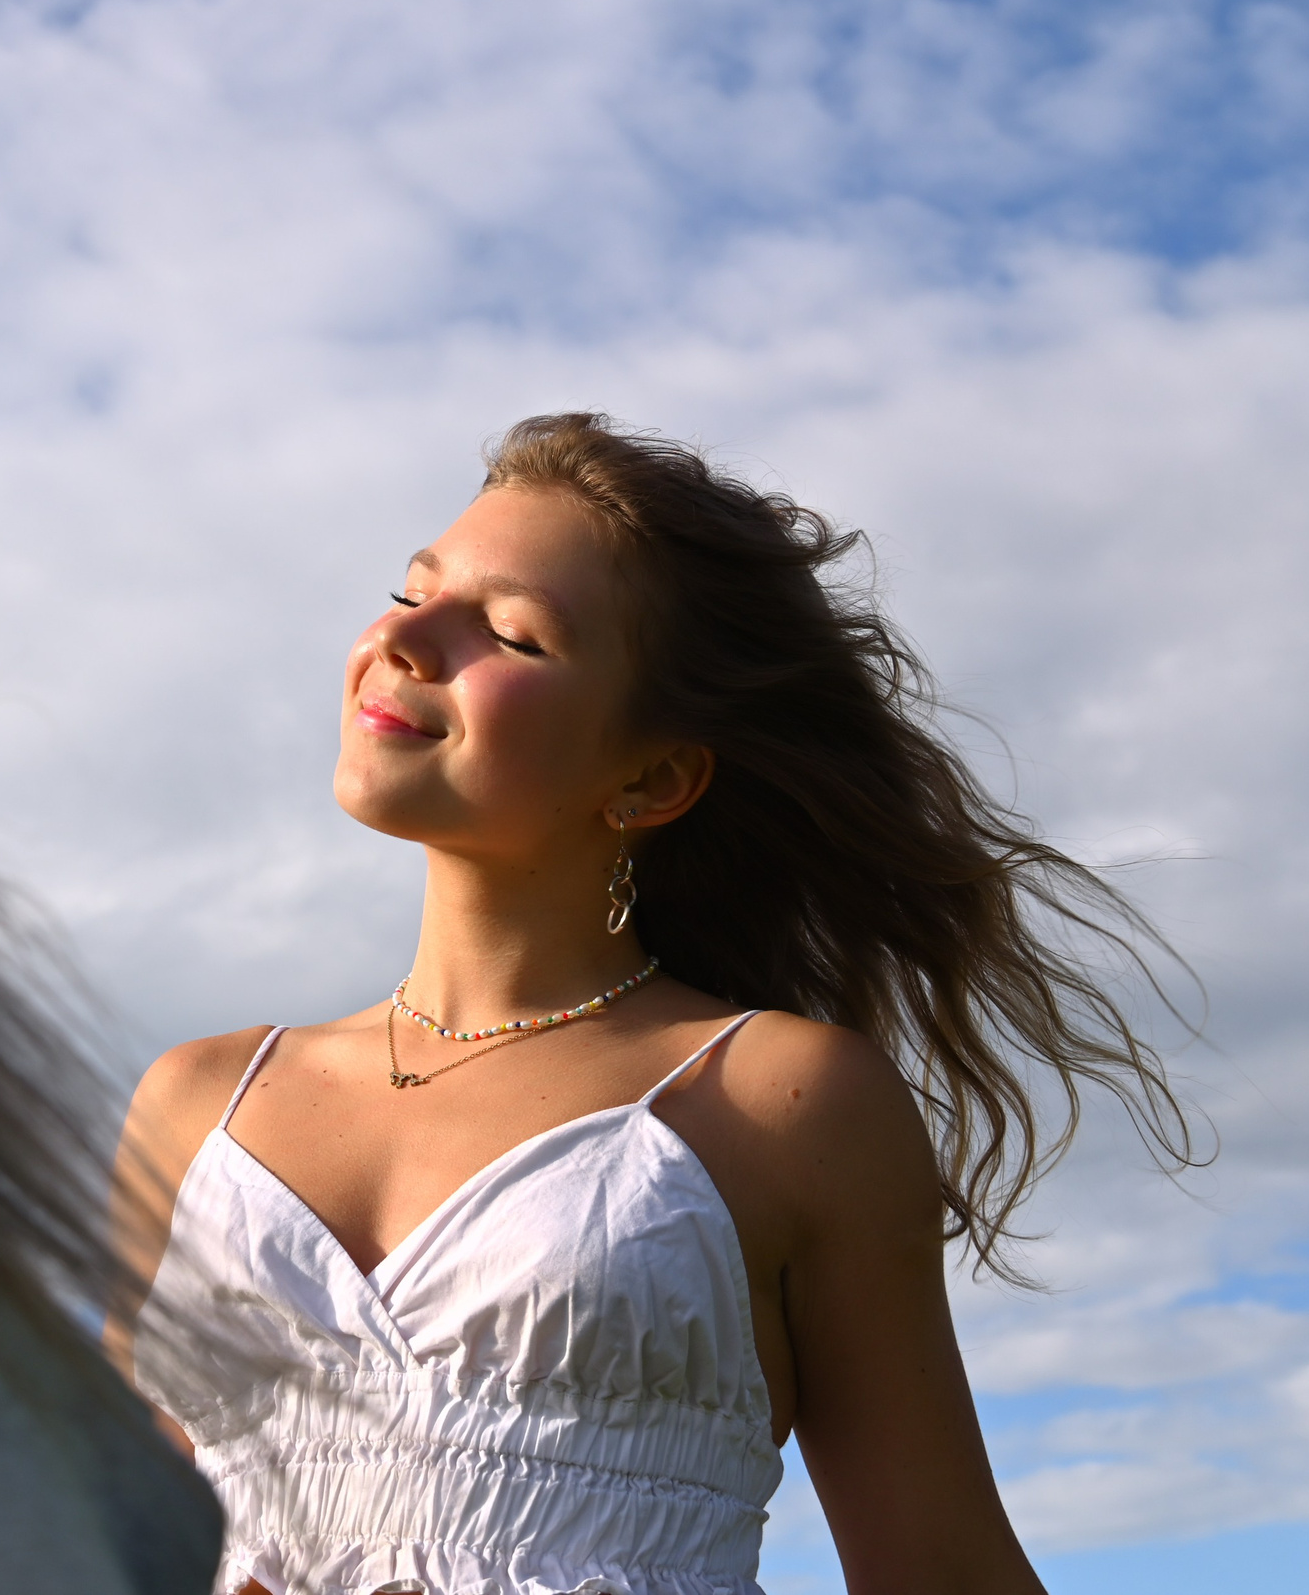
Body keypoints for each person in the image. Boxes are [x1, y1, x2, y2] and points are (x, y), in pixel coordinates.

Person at [108, 413, 1195, 1595]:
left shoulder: (779, 1099)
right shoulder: (198, 1101)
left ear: (652, 775)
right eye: (409, 589)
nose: (404, 637)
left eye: (510, 634)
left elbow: (940, 1568)